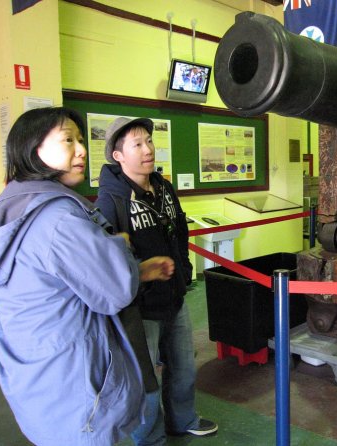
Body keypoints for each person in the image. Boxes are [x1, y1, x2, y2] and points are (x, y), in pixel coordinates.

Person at [0, 107, 175, 446]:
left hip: (37, 377)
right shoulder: (60, 218)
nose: (81, 149)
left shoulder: (10, 208)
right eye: (68, 140)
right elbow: (114, 290)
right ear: (32, 150)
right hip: (76, 384)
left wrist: (129, 263)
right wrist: (118, 247)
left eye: (81, 140)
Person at [96, 117, 218, 437]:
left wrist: (185, 272)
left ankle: (183, 419)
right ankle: (150, 436)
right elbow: (109, 256)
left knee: (183, 366)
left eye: (149, 141)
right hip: (141, 306)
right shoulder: (111, 200)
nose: (148, 149)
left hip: (174, 296)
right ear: (118, 155)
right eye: (137, 144)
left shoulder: (163, 187)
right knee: (146, 375)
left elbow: (179, 230)